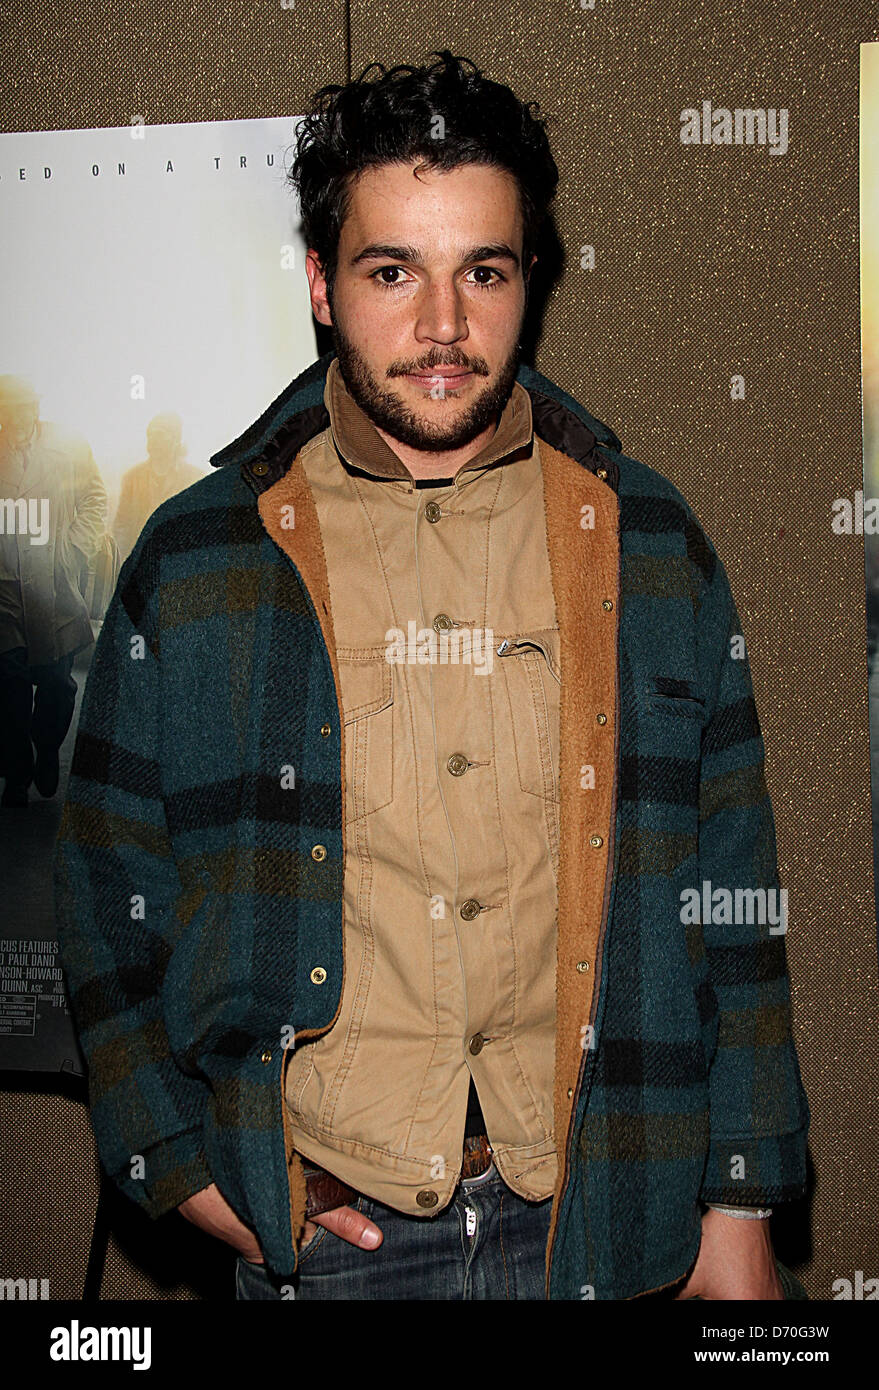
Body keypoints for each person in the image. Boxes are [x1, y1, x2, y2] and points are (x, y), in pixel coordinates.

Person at [53, 51, 810, 1301]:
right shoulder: (200, 561)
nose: (444, 326)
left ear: (530, 284)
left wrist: (738, 1203)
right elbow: (101, 894)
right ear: (319, 282)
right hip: (328, 1238)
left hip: (608, 1214)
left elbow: (736, 891)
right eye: (392, 270)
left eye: (485, 273)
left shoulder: (648, 541)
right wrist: (189, 1173)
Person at [0, 375, 107, 808]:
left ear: (36, 408)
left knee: (57, 684)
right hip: (5, 589)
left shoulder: (69, 447)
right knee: (7, 685)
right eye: (8, 409)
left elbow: (95, 501)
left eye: (22, 407)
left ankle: (46, 748)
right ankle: (16, 772)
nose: (16, 417)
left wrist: (74, 550)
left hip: (56, 586)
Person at [112, 413, 203, 564]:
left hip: (179, 561)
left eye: (161, 434)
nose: (154, 440)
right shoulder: (132, 478)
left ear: (175, 440)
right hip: (141, 560)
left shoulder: (194, 478)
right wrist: (123, 561)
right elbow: (122, 525)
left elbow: (200, 525)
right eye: (151, 434)